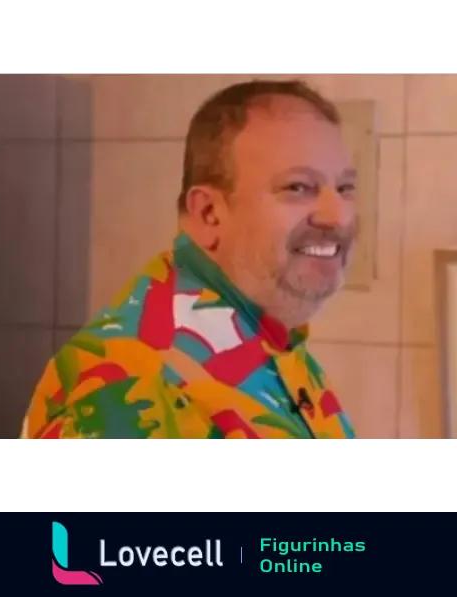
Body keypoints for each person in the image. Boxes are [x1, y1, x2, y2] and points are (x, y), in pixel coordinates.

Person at [21, 79, 358, 441]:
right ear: (209, 212)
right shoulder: (137, 387)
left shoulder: (268, 339)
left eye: (344, 188)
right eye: (297, 187)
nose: (337, 215)